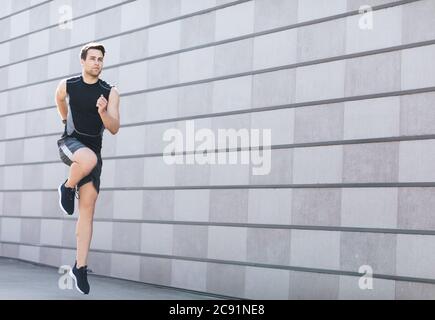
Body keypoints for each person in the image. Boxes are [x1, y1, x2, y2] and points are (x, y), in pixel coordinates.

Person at [55, 42, 120, 294]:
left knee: (88, 209)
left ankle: (79, 267)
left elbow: (114, 128)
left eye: (100, 59)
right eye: (92, 58)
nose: (96, 63)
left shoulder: (110, 91)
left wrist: (104, 112)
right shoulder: (69, 85)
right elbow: (59, 98)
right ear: (82, 61)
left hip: (94, 150)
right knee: (88, 159)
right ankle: (67, 186)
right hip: (71, 143)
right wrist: (64, 119)